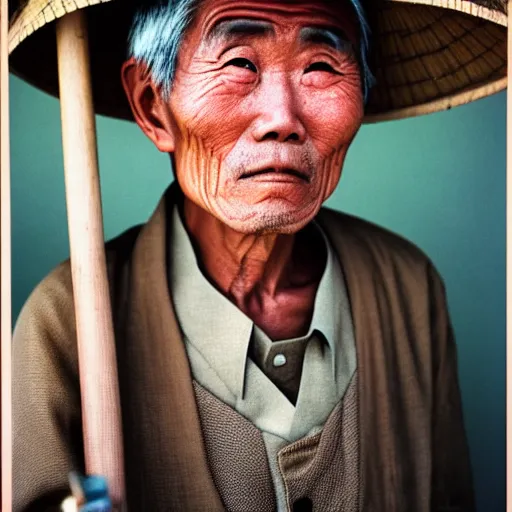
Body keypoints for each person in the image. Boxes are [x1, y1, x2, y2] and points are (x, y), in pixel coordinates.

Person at [10, 0, 506, 510]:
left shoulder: (407, 289)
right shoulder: (71, 319)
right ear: (152, 104)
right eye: (240, 64)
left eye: (320, 67)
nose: (282, 119)